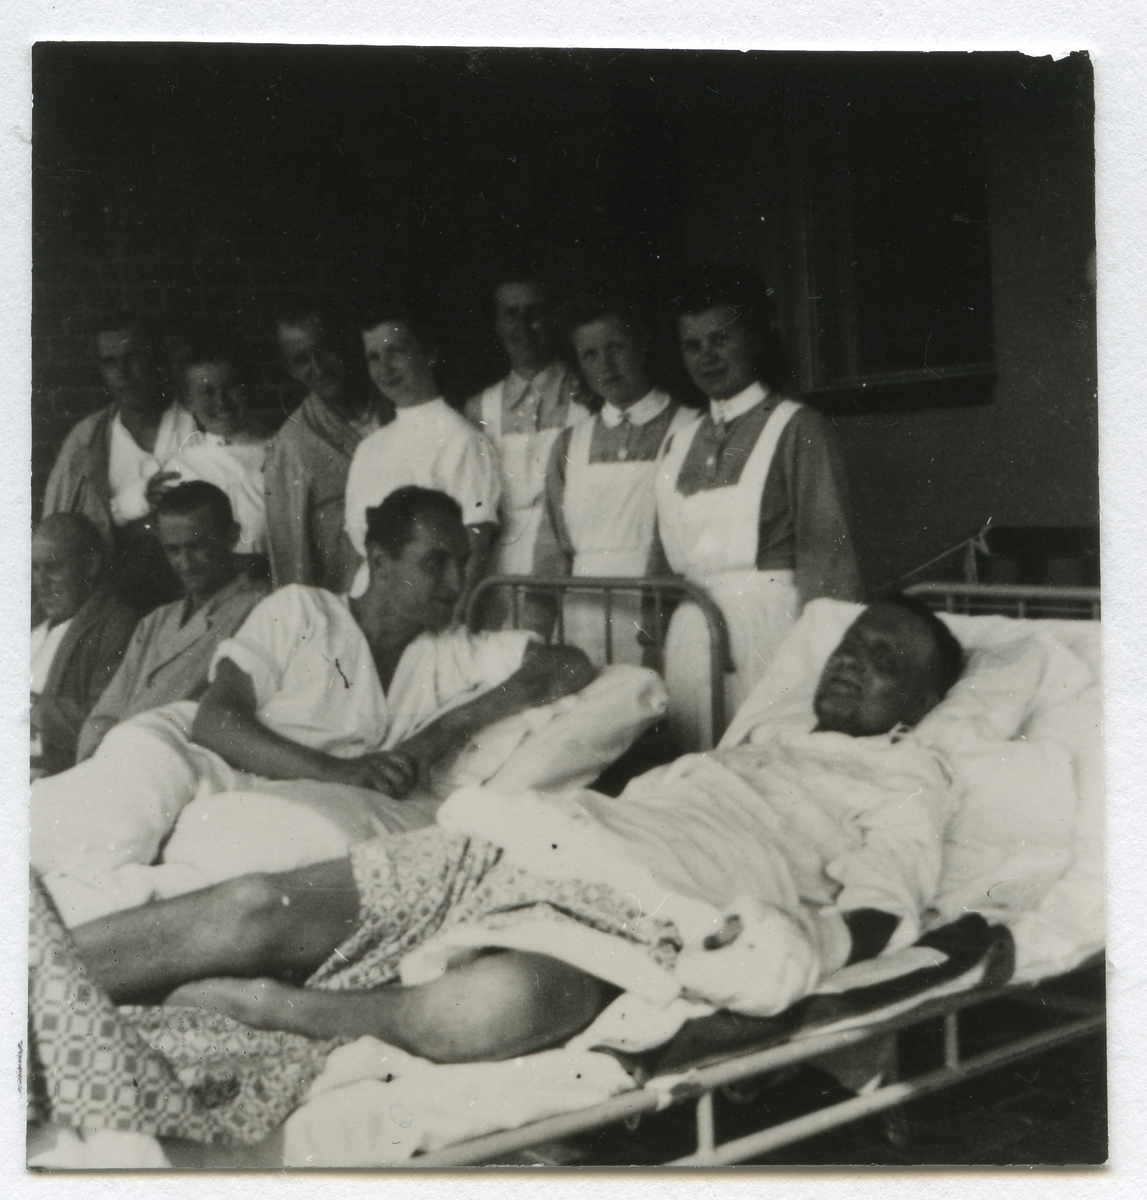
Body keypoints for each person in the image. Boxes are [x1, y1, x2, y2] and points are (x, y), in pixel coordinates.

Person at [61, 598, 963, 1065]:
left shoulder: (908, 778)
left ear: (920, 703)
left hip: (650, 910)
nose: (851, 662)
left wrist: (801, 947)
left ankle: (269, 1008)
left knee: (494, 1007)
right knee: (254, 904)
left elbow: (885, 905)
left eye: (883, 660)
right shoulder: (746, 744)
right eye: (850, 644)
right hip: (540, 838)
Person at [31, 487, 596, 913]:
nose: (456, 583)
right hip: (182, 750)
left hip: (249, 791)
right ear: (380, 563)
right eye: (436, 562)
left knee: (153, 894)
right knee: (105, 835)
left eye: (463, 564)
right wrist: (343, 772)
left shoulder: (453, 651)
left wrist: (446, 729)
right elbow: (215, 721)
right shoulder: (302, 610)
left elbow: (571, 663)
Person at [654, 269, 863, 750]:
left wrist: (820, 664)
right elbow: (660, 565)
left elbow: (830, 564)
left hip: (772, 636)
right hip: (691, 638)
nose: (707, 356)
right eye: (692, 345)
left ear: (756, 339)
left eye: (721, 339)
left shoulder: (798, 428)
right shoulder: (678, 441)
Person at [532, 296, 695, 666]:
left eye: (616, 347)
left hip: (658, 616)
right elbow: (550, 556)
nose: (605, 364)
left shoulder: (689, 428)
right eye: (590, 355)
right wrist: (535, 636)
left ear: (643, 344)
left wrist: (654, 636)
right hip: (581, 619)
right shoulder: (569, 443)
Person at [75, 482, 269, 762]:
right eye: (173, 550)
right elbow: (103, 716)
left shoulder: (257, 609)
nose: (185, 563)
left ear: (231, 536)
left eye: (197, 546)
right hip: (114, 762)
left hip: (176, 762)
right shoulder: (155, 622)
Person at [343, 303, 501, 613]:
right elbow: (357, 553)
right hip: (370, 614)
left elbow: (475, 548)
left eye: (396, 351)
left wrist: (452, 624)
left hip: (430, 614)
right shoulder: (368, 449)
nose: (385, 367)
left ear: (428, 353)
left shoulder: (462, 440)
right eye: (373, 356)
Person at [41, 314, 197, 612]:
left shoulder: (197, 422)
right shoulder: (86, 441)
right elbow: (58, 536)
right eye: (111, 362)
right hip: (115, 603)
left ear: (157, 357)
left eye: (134, 358)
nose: (123, 373)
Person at [465, 275, 593, 579]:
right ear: (497, 325)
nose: (523, 326)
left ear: (554, 318)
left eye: (535, 312)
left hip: (572, 561)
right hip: (499, 570)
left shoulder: (588, 394)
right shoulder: (479, 408)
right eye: (511, 314)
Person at [263, 303, 393, 591]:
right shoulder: (290, 447)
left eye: (325, 350)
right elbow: (290, 562)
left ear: (346, 342)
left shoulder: (396, 405)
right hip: (348, 601)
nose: (319, 368)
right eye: (301, 360)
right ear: (289, 368)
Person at [143, 336, 275, 570]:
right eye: (207, 392)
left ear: (247, 388)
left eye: (231, 387)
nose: (221, 401)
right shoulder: (179, 470)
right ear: (188, 401)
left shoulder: (281, 452)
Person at [30, 513, 139, 776]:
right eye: (35, 568)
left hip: (49, 770)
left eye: (53, 568)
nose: (40, 582)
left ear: (90, 565)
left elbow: (104, 718)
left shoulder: (116, 626)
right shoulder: (31, 618)